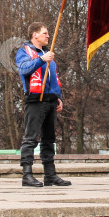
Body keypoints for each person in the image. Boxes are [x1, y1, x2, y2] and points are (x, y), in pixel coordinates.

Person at [15, 22, 71, 187]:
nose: (48, 36)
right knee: (30, 138)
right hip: (35, 99)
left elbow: (54, 77)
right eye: (45, 33)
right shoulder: (24, 52)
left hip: (50, 100)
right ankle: (27, 175)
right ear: (35, 35)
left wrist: (58, 97)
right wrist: (40, 60)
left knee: (49, 139)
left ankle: (50, 174)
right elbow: (24, 69)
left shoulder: (48, 53)